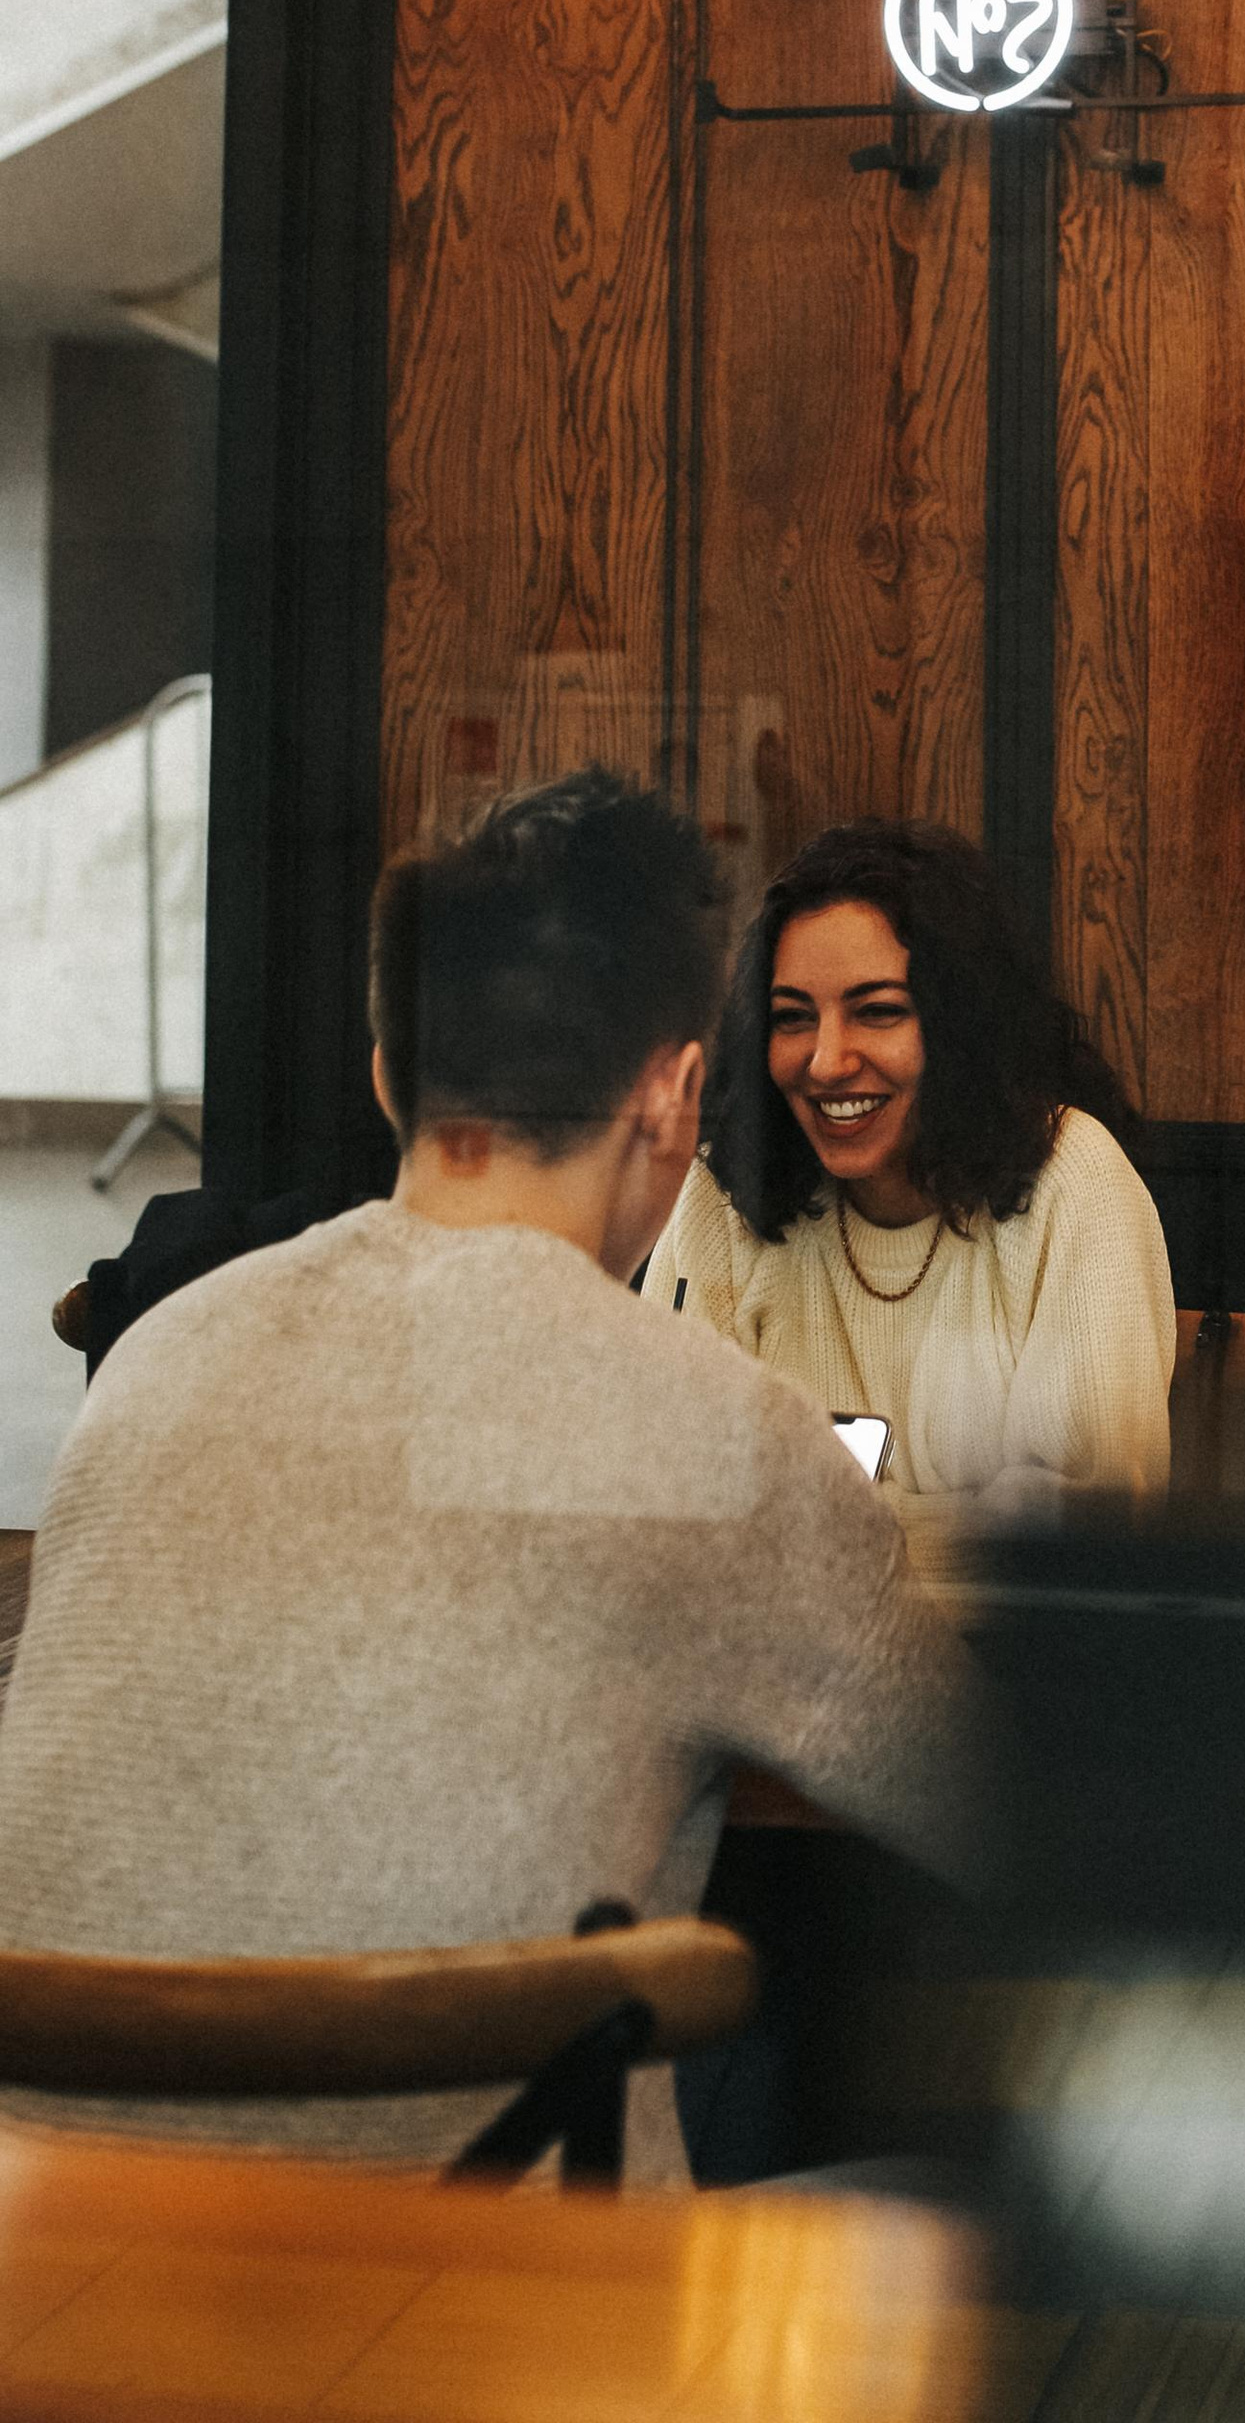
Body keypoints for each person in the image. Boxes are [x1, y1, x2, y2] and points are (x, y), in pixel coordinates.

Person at [0, 770, 980, 2173]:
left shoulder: (149, 1365)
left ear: (392, 1073)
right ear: (677, 1093)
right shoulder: (722, 1434)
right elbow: (996, 1811)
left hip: (58, 2307)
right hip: (490, 2333)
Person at [646, 820, 1175, 1534]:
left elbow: (1080, 1533)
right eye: (793, 1018)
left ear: (960, 1028)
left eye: (878, 1012)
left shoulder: (1073, 1182)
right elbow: (666, 1496)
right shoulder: (724, 1189)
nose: (827, 1060)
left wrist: (825, 1540)